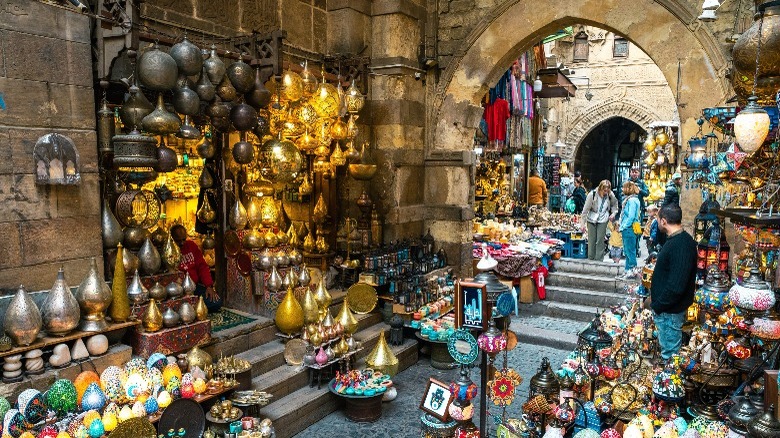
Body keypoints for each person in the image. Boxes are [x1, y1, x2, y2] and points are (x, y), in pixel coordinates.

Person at [650, 203, 697, 362]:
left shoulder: (681, 245)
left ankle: (670, 385)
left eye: (658, 218)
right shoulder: (678, 240)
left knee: (670, 357)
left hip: (669, 312)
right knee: (668, 353)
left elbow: (676, 286)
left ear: (663, 221)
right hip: (668, 310)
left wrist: (658, 305)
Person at [171, 224, 222, 313]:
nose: (182, 243)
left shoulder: (191, 246)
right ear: (172, 239)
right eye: (178, 241)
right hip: (177, 291)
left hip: (194, 288)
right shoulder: (170, 251)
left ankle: (192, 307)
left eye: (184, 239)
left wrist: (209, 286)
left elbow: (202, 266)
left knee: (216, 303)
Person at [580, 180, 619, 261]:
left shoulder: (610, 195)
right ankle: (591, 258)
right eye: (604, 190)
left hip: (603, 218)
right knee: (592, 239)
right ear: (600, 188)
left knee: (600, 240)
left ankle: (599, 260)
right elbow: (585, 210)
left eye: (607, 190)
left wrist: (613, 213)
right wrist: (582, 224)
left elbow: (615, 205)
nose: (605, 192)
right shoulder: (592, 195)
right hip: (592, 218)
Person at [618, 181, 641, 277]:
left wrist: (623, 226)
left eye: (624, 187)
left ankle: (632, 270)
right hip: (633, 228)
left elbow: (631, 216)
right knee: (628, 251)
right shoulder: (635, 199)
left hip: (629, 228)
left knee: (629, 251)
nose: (622, 189)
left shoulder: (631, 201)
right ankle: (627, 270)